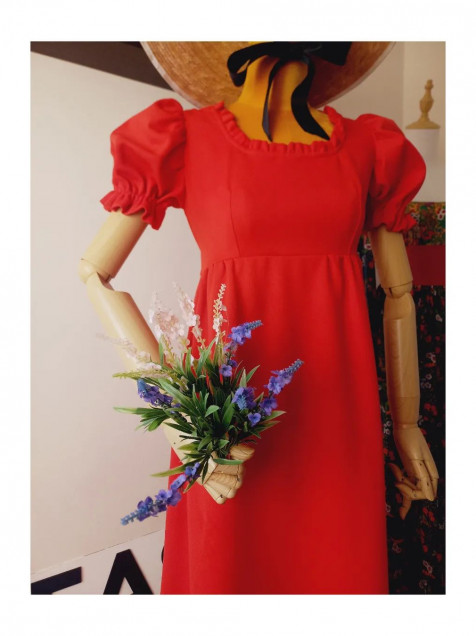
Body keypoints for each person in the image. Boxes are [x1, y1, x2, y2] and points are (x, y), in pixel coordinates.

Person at [79, 41, 439, 594]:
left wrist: (407, 425)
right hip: (229, 432)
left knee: (334, 573)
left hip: (337, 423)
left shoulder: (370, 145)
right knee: (231, 574)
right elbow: (95, 273)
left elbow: (400, 294)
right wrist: (186, 424)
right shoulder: (183, 137)